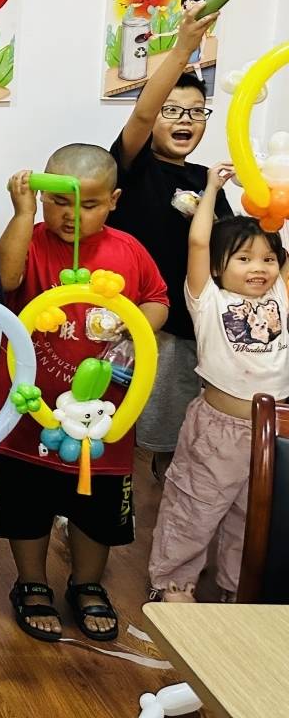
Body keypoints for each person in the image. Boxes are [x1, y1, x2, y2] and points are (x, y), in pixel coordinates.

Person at [0, 145, 168, 643]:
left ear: (114, 201)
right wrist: (23, 214)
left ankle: (87, 583)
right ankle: (31, 582)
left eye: (90, 204)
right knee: (27, 502)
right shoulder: (31, 240)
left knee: (97, 506)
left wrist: (132, 325)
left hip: (105, 416)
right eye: (60, 201)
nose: (72, 215)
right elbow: (6, 280)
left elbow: (158, 300)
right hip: (30, 411)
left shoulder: (129, 249)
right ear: (43, 196)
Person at [148, 166, 288, 603]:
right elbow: (198, 241)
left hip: (272, 433)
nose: (258, 268)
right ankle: (172, 582)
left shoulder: (280, 296)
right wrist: (211, 188)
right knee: (194, 505)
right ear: (217, 267)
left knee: (254, 516)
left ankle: (235, 587)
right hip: (217, 430)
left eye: (268, 259)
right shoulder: (207, 299)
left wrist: (275, 197)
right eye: (244, 259)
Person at [107, 5, 228, 479]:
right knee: (125, 441)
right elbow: (140, 114)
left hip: (194, 334)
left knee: (177, 449)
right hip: (140, 331)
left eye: (197, 112)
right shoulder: (133, 169)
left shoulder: (206, 179)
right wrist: (183, 48)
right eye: (172, 110)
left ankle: (171, 515)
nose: (186, 121)